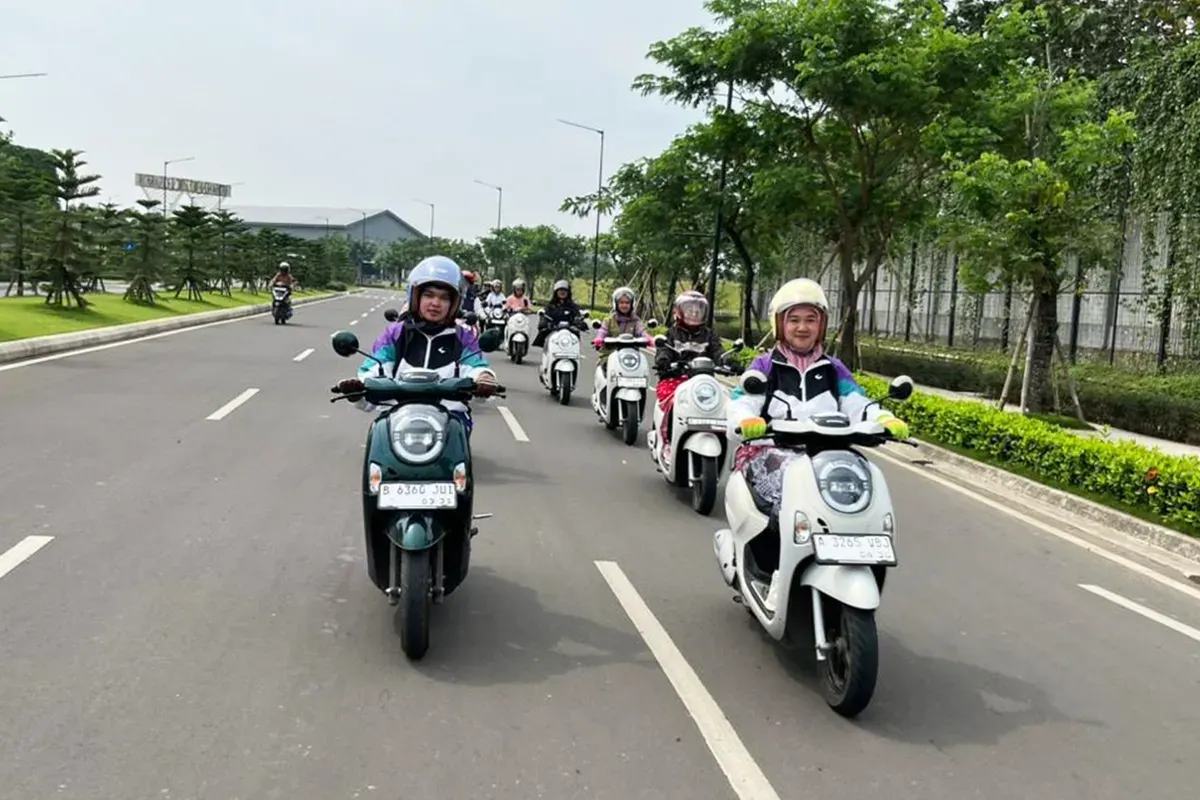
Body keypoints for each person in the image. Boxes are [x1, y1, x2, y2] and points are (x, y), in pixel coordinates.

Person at [714, 278, 910, 613]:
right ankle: (775, 575)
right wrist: (746, 419)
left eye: (810, 319)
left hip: (827, 454)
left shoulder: (833, 370)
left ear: (822, 325)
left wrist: (884, 418)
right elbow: (741, 400)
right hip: (771, 450)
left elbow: (858, 403)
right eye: (794, 319)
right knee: (785, 500)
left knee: (861, 486)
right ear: (780, 323)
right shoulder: (764, 366)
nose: (802, 327)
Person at [334, 256, 499, 432]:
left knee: (457, 438)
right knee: (378, 435)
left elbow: (475, 366)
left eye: (444, 298)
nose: (435, 303)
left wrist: (484, 378)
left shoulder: (463, 336)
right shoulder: (396, 333)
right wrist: (358, 388)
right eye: (429, 295)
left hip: (449, 419)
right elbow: (377, 366)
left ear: (454, 303)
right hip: (395, 418)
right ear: (415, 296)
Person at [653, 290, 724, 462]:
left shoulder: (709, 335)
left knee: (724, 404)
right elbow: (664, 350)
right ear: (679, 311)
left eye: (698, 309)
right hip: (676, 379)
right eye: (690, 309)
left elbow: (718, 352)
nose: (694, 313)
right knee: (673, 403)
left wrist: (728, 360)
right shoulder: (672, 333)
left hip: (703, 382)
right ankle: (668, 442)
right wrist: (664, 360)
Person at [593, 286, 652, 369]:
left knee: (642, 368)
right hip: (609, 355)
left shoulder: (636, 320)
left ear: (632, 304)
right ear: (616, 304)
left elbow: (641, 331)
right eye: (621, 302)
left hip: (631, 357)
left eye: (627, 303)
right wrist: (599, 339)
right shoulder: (608, 320)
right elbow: (603, 331)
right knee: (605, 369)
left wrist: (649, 339)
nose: (624, 305)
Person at [533, 279, 583, 348]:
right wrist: (546, 324)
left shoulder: (573, 306)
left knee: (575, 340)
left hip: (569, 333)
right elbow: (544, 317)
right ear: (556, 292)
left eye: (565, 290)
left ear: (568, 292)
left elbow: (578, 317)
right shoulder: (550, 306)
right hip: (553, 331)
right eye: (560, 290)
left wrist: (579, 323)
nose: (562, 292)